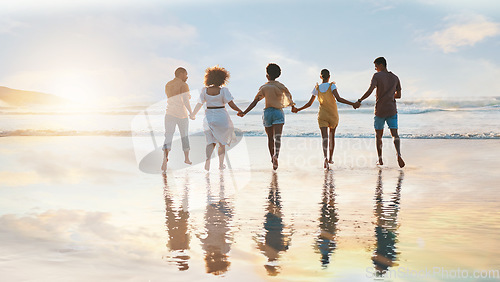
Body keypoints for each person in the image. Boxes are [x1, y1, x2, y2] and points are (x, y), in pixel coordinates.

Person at [292, 69, 356, 168]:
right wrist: (353, 104)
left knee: (324, 138)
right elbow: (339, 99)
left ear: (320, 77)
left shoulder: (317, 88)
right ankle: (330, 158)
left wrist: (298, 109)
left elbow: (309, 104)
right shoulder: (332, 86)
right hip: (333, 114)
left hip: (322, 115)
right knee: (332, 136)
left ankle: (325, 157)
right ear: (329, 76)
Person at [238, 63, 296, 170]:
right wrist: (292, 106)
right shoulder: (281, 86)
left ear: (267, 75)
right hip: (278, 112)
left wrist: (244, 112)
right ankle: (276, 156)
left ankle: (271, 158)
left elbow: (254, 102)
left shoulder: (264, 87)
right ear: (278, 74)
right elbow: (289, 96)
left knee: (270, 138)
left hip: (267, 113)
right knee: (278, 137)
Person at [353, 57, 405, 168]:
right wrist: (390, 95)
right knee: (395, 134)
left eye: (376, 66)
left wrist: (359, 100)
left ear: (381, 65)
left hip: (380, 111)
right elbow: (399, 95)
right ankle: (398, 154)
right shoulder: (395, 77)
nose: (375, 69)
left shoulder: (377, 76)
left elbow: (370, 90)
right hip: (392, 109)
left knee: (378, 136)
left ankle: (380, 159)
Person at [190, 66, 243, 171]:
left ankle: (207, 161)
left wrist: (193, 114)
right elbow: (231, 105)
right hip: (221, 117)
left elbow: (199, 104)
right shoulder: (224, 90)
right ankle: (220, 164)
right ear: (222, 79)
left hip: (209, 118)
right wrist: (239, 111)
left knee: (210, 142)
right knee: (221, 143)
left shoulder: (204, 90)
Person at [162, 67, 193, 172]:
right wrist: (191, 112)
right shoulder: (184, 85)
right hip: (181, 115)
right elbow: (185, 100)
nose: (187, 77)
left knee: (168, 135)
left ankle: (164, 159)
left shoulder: (168, 84)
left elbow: (171, 98)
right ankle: (187, 158)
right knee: (184, 136)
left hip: (169, 113)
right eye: (186, 74)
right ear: (181, 74)